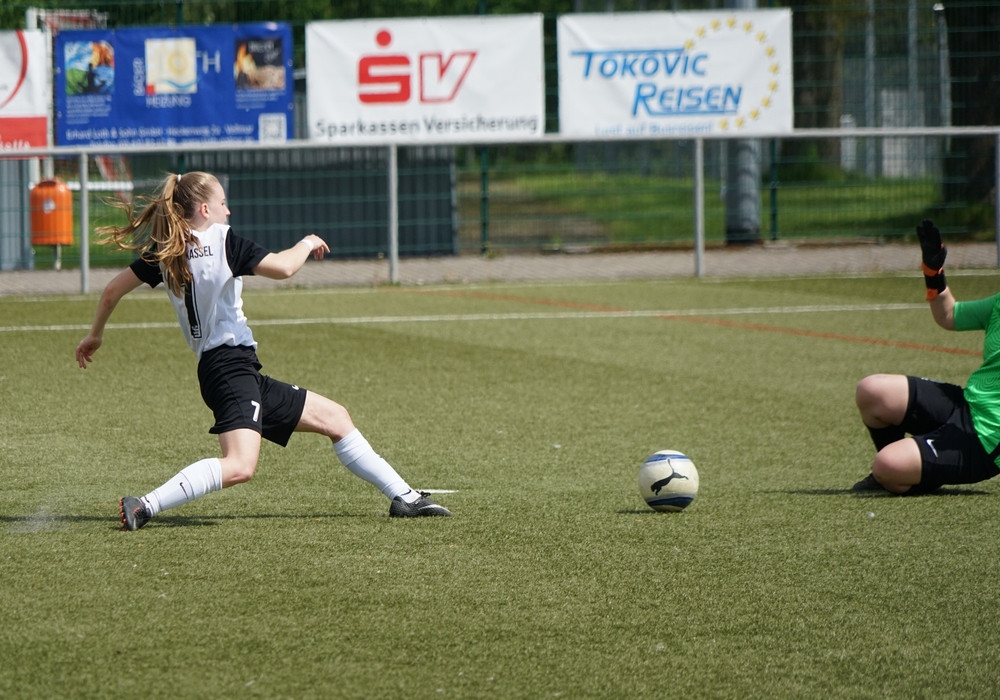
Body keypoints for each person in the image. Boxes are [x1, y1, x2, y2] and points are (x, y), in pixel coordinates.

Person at [75, 171, 450, 530]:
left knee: (336, 419)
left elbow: (111, 291)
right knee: (240, 465)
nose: (228, 210)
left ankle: (404, 496)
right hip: (229, 368)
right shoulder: (223, 240)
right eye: (223, 202)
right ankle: (145, 504)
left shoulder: (168, 250)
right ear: (205, 209)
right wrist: (307, 242)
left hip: (231, 368)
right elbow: (284, 268)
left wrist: (95, 334)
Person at [852, 219, 1000, 495]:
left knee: (885, 464)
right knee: (871, 390)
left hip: (987, 439)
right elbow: (949, 315)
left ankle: (901, 470)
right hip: (966, 403)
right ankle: (904, 469)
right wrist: (933, 271)